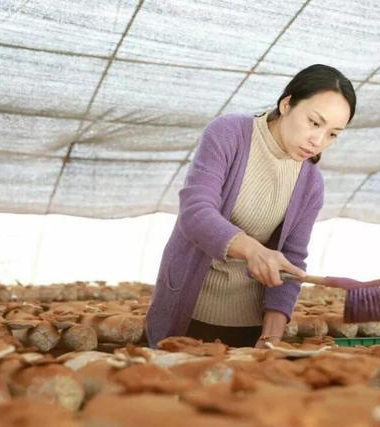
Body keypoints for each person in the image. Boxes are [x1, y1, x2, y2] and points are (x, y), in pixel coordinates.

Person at [146, 64, 356, 349]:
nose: (318, 141)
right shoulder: (229, 134)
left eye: (333, 134)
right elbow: (196, 212)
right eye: (314, 122)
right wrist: (253, 250)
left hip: (251, 327)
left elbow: (292, 261)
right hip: (188, 314)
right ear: (286, 104)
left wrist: (270, 338)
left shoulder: (310, 184)